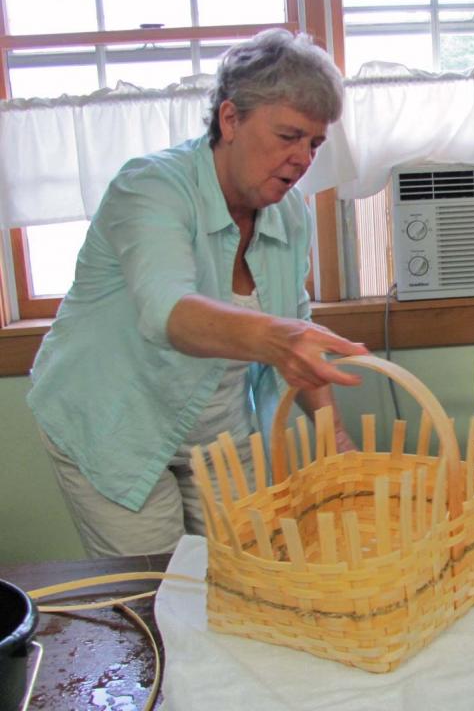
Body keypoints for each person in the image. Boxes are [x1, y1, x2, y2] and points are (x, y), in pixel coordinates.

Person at [27, 29, 368, 558]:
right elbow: (171, 313)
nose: (303, 158)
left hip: (216, 426)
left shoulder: (289, 212)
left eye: (315, 144)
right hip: (115, 422)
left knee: (250, 569)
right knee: (160, 592)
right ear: (230, 119)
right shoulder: (151, 187)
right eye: (288, 136)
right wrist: (280, 337)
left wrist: (337, 440)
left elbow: (297, 342)